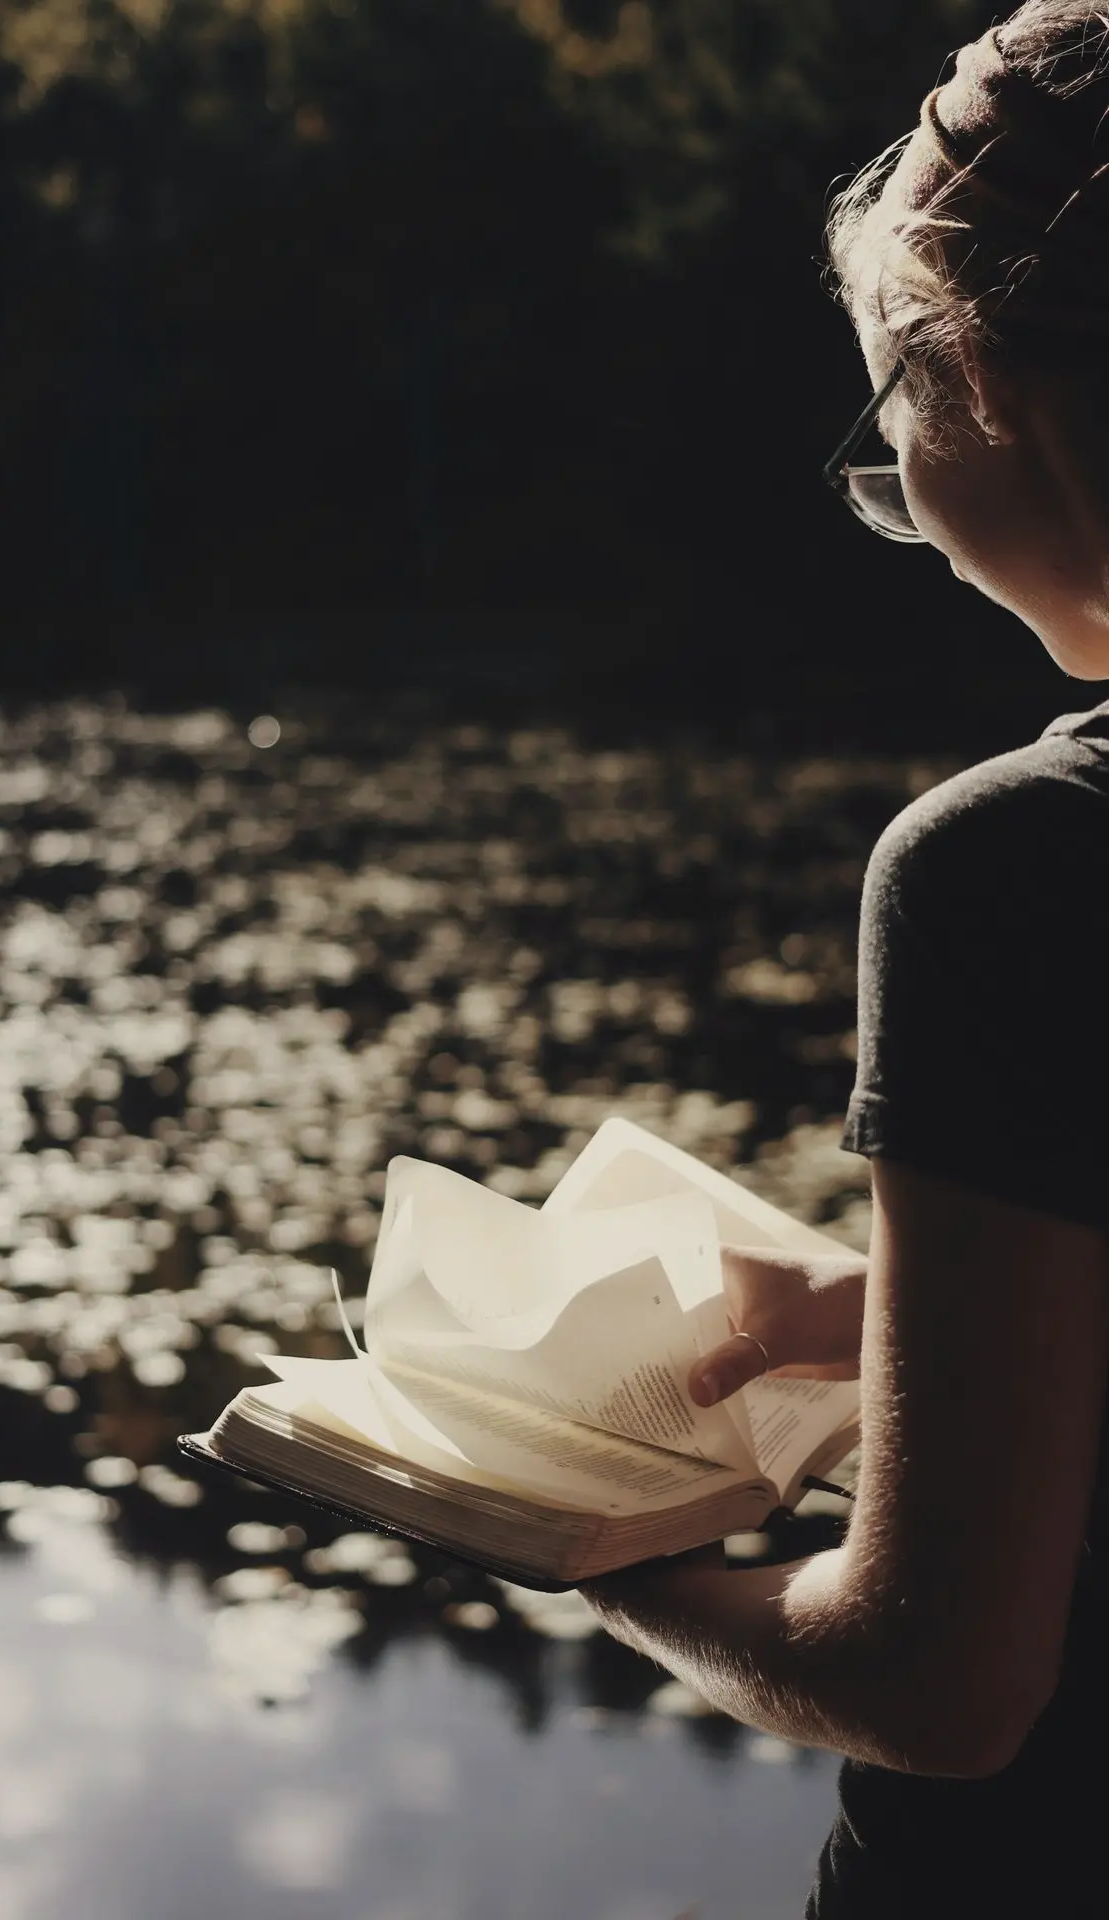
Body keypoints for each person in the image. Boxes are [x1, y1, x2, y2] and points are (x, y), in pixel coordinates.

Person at [580, 6, 1109, 1914]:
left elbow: (943, 1683)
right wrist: (879, 1309)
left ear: (984, 381)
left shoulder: (1023, 867)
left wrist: (602, 1564)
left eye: (884, 400)